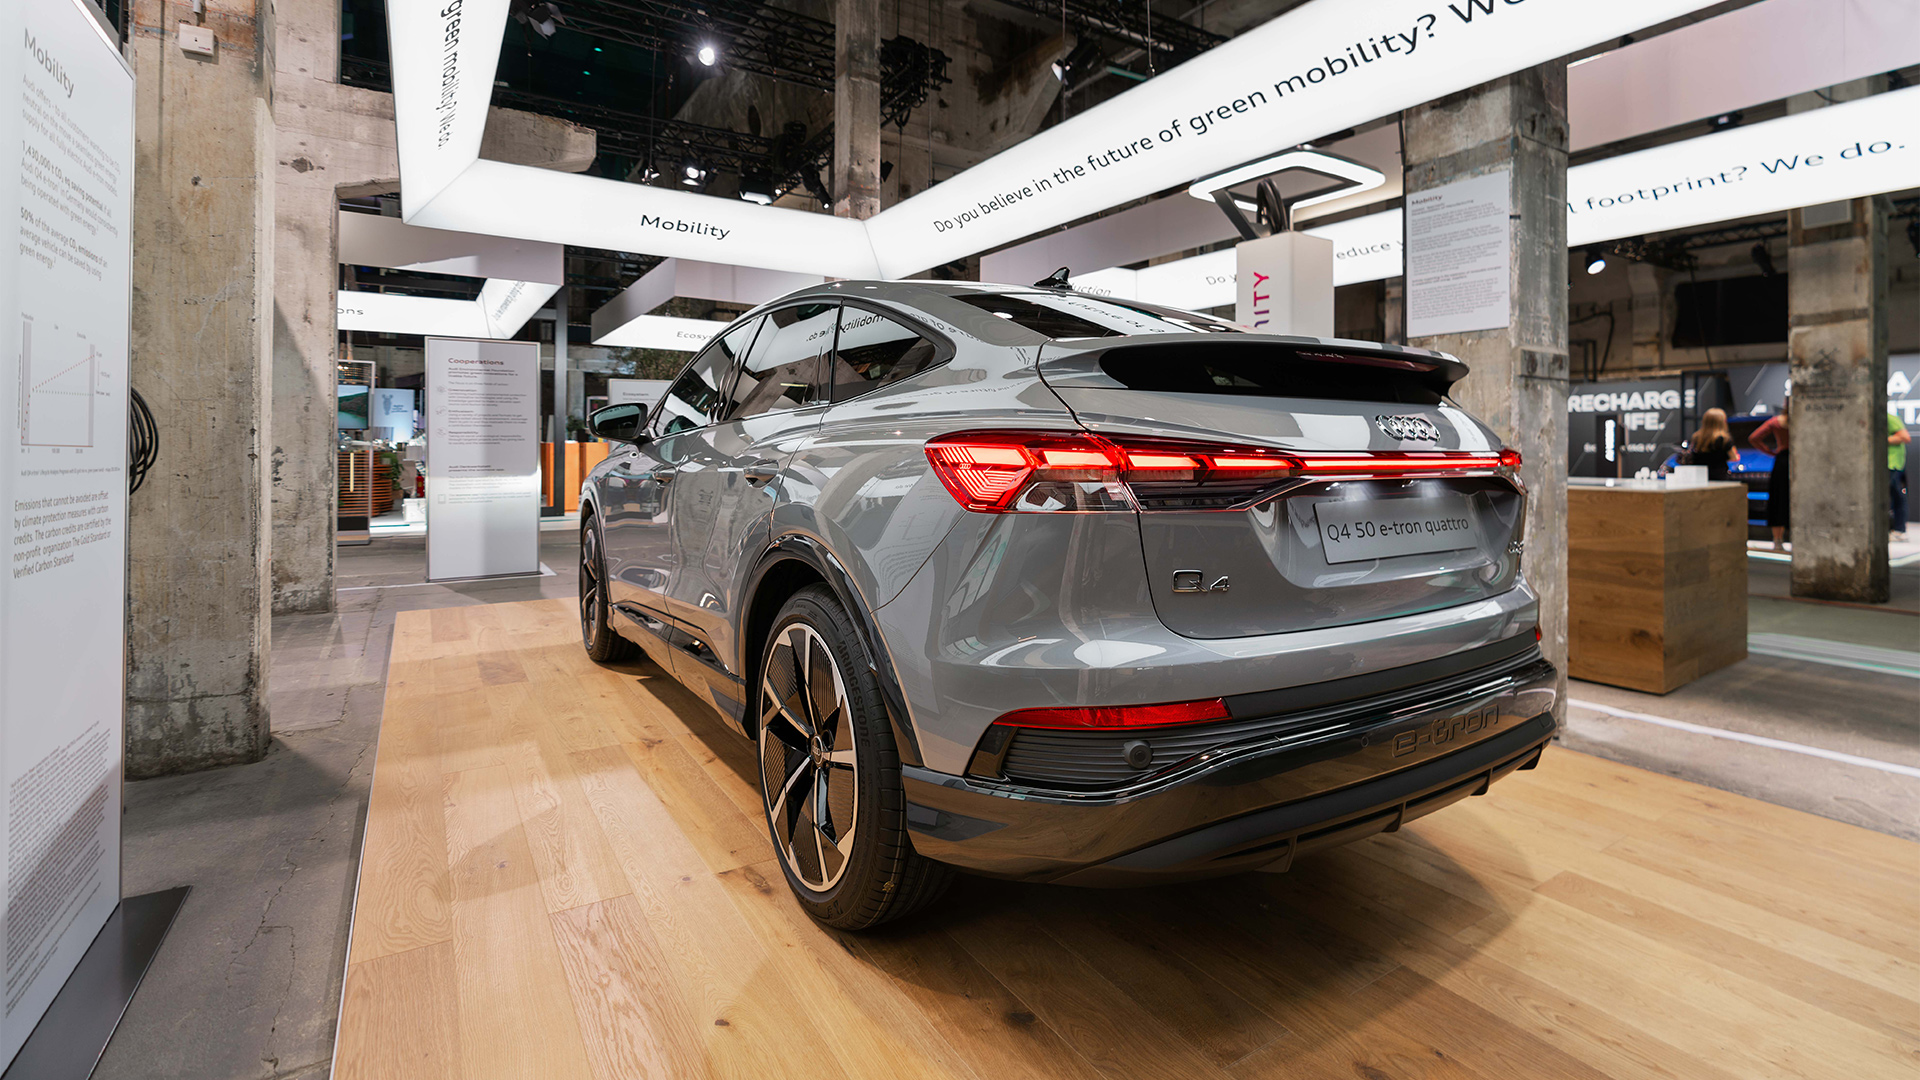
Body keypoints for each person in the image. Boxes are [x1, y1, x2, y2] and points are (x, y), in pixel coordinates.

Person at [1750, 400, 1790, 552]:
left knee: (1778, 499)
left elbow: (1754, 438)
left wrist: (1770, 451)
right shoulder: (1802, 421)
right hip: (1799, 460)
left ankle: (1777, 540)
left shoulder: (1776, 422)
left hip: (1781, 460)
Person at [1685, 407, 1741, 483]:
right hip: (1719, 477)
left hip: (1700, 476)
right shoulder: (1724, 439)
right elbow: (1734, 457)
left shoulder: (1696, 437)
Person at [1890, 411, 1911, 542]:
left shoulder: (1888, 418)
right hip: (1883, 464)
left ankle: (1899, 530)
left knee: (1898, 496)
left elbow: (1905, 437)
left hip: (1893, 465)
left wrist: (1881, 439)